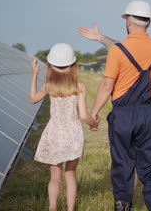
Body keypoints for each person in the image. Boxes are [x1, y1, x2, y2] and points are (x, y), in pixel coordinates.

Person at [79, 0, 151, 211]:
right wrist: (100, 37)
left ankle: (123, 205)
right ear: (149, 23)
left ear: (128, 21)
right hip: (149, 114)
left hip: (123, 116)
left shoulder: (118, 51)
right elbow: (130, 50)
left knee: (123, 163)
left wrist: (93, 113)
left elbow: (108, 83)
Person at [29, 43, 99, 211]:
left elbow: (32, 99)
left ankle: (52, 207)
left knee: (54, 177)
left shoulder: (49, 86)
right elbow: (83, 115)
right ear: (73, 65)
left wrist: (34, 75)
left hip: (53, 133)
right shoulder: (79, 87)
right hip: (73, 134)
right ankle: (70, 209)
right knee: (70, 174)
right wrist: (93, 124)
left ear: (51, 66)